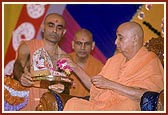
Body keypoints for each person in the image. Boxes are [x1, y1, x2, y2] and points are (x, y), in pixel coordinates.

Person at [61, 21, 164, 111]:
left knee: (129, 106)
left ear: (135, 39)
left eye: (120, 38)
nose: (115, 42)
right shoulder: (114, 60)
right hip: (102, 106)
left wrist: (110, 85)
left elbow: (148, 97)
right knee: (73, 103)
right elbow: (95, 87)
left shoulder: (150, 61)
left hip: (123, 106)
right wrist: (74, 67)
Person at [13, 13, 68, 111]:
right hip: (24, 104)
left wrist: (63, 88)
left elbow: (65, 83)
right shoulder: (27, 46)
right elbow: (18, 64)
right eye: (51, 25)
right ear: (43, 28)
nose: (54, 30)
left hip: (48, 106)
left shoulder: (65, 58)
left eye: (59, 28)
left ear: (63, 32)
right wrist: (21, 76)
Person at [69, 28, 104, 97]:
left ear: (93, 46)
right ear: (73, 44)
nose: (82, 48)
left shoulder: (100, 67)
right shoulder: (64, 62)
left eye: (87, 44)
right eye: (79, 43)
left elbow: (101, 93)